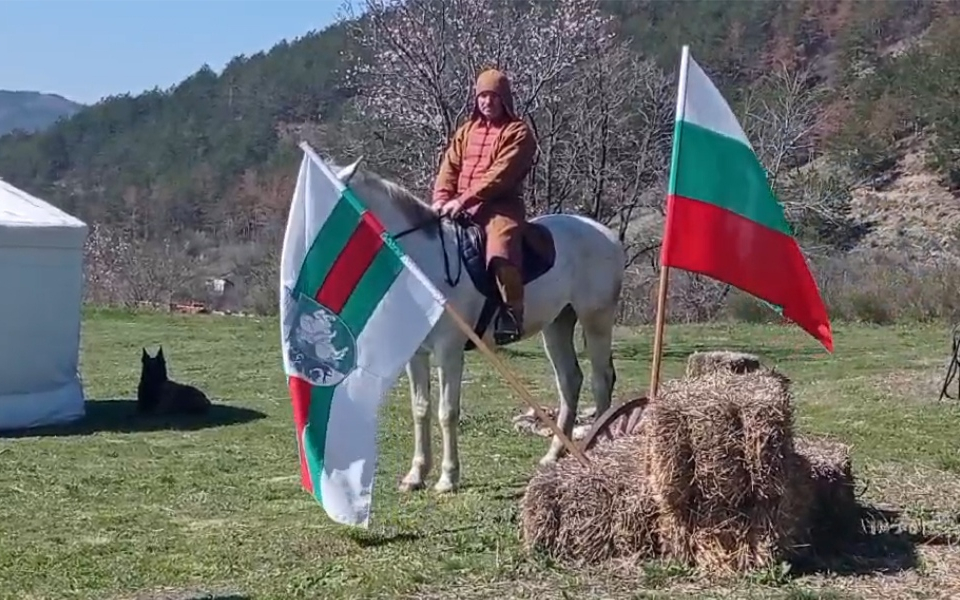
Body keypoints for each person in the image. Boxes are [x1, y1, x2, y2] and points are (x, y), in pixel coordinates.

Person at [431, 68, 538, 344]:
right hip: (459, 207)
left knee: (500, 252)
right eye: (482, 96)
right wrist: (441, 199)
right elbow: (450, 166)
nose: (487, 102)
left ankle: (512, 314)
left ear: (504, 99)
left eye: (493, 96)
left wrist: (463, 200)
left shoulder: (518, 132)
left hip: (500, 208)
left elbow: (500, 175)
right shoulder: (466, 131)